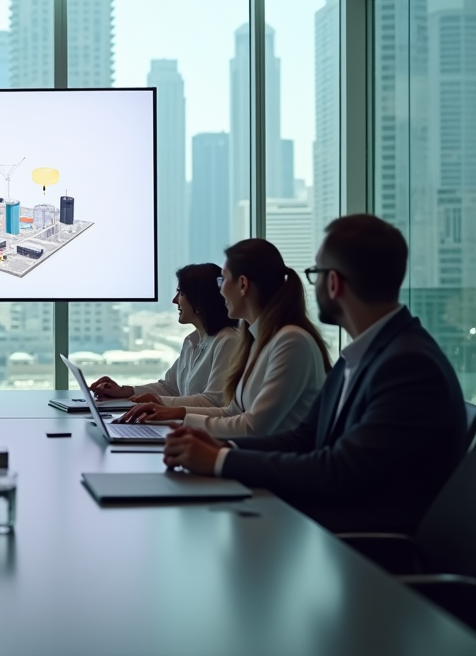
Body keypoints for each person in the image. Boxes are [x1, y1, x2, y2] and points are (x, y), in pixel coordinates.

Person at [161, 215, 468, 534]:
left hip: (361, 544)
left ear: (333, 283)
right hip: (330, 521)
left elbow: (338, 470)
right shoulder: (367, 354)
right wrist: (222, 450)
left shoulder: (407, 365)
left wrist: (220, 461)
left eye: (316, 273)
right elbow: (304, 437)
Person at [119, 239, 331, 437]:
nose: (219, 290)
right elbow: (233, 411)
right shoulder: (256, 340)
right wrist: (175, 413)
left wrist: (180, 419)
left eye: (223, 279)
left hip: (273, 470)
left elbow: (252, 427)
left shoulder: (290, 342)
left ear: (242, 284)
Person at [90, 263, 239, 408]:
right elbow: (169, 387)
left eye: (181, 293)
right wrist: (122, 391)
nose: (175, 300)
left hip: (206, 431)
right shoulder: (192, 340)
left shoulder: (228, 341)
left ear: (199, 299)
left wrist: (158, 401)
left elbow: (213, 402)